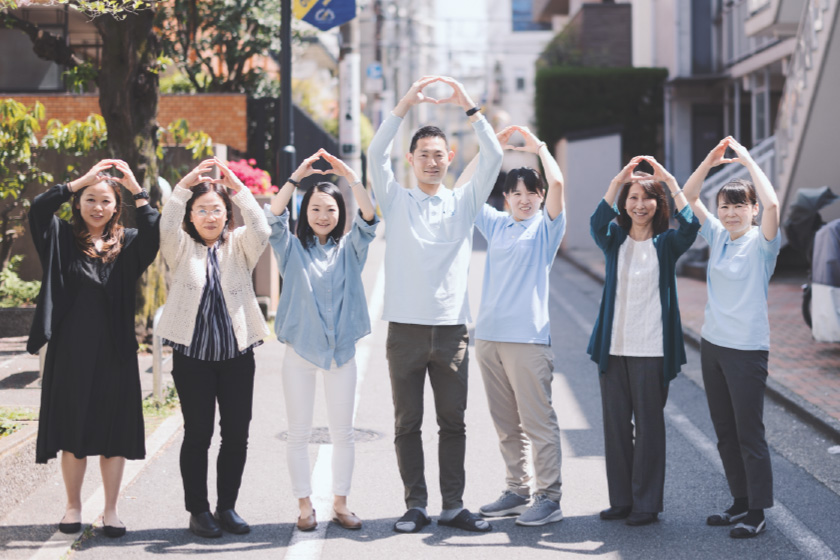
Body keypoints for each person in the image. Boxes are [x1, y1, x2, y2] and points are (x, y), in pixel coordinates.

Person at [367, 75, 503, 533]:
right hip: (403, 329)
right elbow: (373, 154)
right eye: (422, 154)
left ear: (450, 159)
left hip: (451, 330)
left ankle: (453, 505)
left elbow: (496, 155)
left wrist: (467, 105)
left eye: (438, 155)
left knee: (453, 423)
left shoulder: (464, 203)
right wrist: (406, 102)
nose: (430, 161)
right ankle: (415, 504)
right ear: (411, 160)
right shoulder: (397, 200)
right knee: (407, 423)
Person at [29, 159, 160, 538]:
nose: (98, 207)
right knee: (74, 429)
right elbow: (37, 208)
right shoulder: (58, 237)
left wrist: (135, 187)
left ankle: (111, 510)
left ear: (116, 207)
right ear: (79, 203)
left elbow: (154, 230)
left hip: (115, 351)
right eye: (90, 199)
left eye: (105, 201)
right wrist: (79, 181)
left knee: (113, 431)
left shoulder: (129, 243)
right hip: (70, 351)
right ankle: (72, 505)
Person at [455, 125, 567, 525]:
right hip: (488, 337)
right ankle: (517, 490)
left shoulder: (546, 228)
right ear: (505, 198)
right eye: (515, 193)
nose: (524, 199)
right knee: (506, 425)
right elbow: (462, 190)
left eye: (530, 193)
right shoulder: (497, 224)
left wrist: (537, 146)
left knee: (538, 423)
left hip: (528, 339)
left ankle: (548, 497)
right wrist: (491, 148)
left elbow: (557, 179)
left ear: (539, 198)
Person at [265, 149, 378, 532]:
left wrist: (351, 178)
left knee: (342, 433)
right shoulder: (291, 249)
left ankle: (341, 504)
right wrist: (297, 176)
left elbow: (369, 219)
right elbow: (272, 218)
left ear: (339, 212)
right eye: (315, 209)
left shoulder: (350, 250)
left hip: (341, 354)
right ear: (305, 212)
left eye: (330, 209)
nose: (323, 215)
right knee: (298, 434)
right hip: (300, 353)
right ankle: (304, 506)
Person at [157, 158, 271, 538]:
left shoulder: (240, 245)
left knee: (236, 434)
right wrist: (185, 185)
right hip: (193, 358)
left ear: (227, 215)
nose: (209, 216)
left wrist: (235, 184)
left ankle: (227, 507)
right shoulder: (180, 247)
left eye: (216, 210)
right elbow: (167, 222)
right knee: (198, 435)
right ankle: (198, 510)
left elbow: (261, 225)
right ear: (191, 215)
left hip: (237, 357)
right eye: (201, 210)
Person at [587, 155, 700, 526]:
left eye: (647, 198)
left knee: (649, 429)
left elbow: (691, 225)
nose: (639, 205)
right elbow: (596, 221)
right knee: (616, 427)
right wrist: (617, 180)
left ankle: (646, 504)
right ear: (625, 202)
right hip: (613, 348)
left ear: (658, 203)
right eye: (632, 198)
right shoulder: (614, 239)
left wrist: (668, 180)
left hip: (652, 349)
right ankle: (621, 500)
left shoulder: (667, 243)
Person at [682, 137, 781, 539]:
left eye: (740, 205)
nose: (731, 212)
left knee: (748, 433)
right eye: (725, 205)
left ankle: (757, 511)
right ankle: (739, 501)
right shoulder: (718, 236)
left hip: (747, 351)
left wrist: (746, 160)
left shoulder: (762, 245)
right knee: (724, 431)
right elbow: (687, 195)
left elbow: (774, 205)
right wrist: (710, 160)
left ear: (752, 210)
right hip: (714, 346)